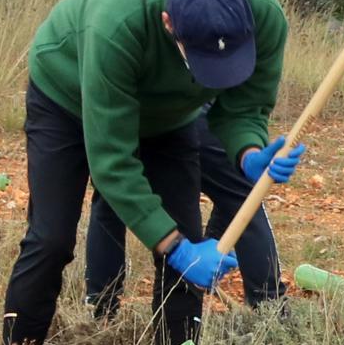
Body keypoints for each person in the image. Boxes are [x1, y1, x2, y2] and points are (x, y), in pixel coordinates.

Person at [0, 0, 293, 345]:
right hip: (68, 97)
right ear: (168, 23)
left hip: (170, 117)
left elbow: (243, 107)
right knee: (51, 239)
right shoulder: (116, 24)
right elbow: (111, 161)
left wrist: (250, 152)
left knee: (183, 259)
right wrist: (173, 244)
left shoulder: (263, 14)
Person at [84, 132, 281, 320]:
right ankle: (270, 307)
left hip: (133, 124)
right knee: (240, 194)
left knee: (109, 198)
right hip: (178, 122)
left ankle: (100, 309)